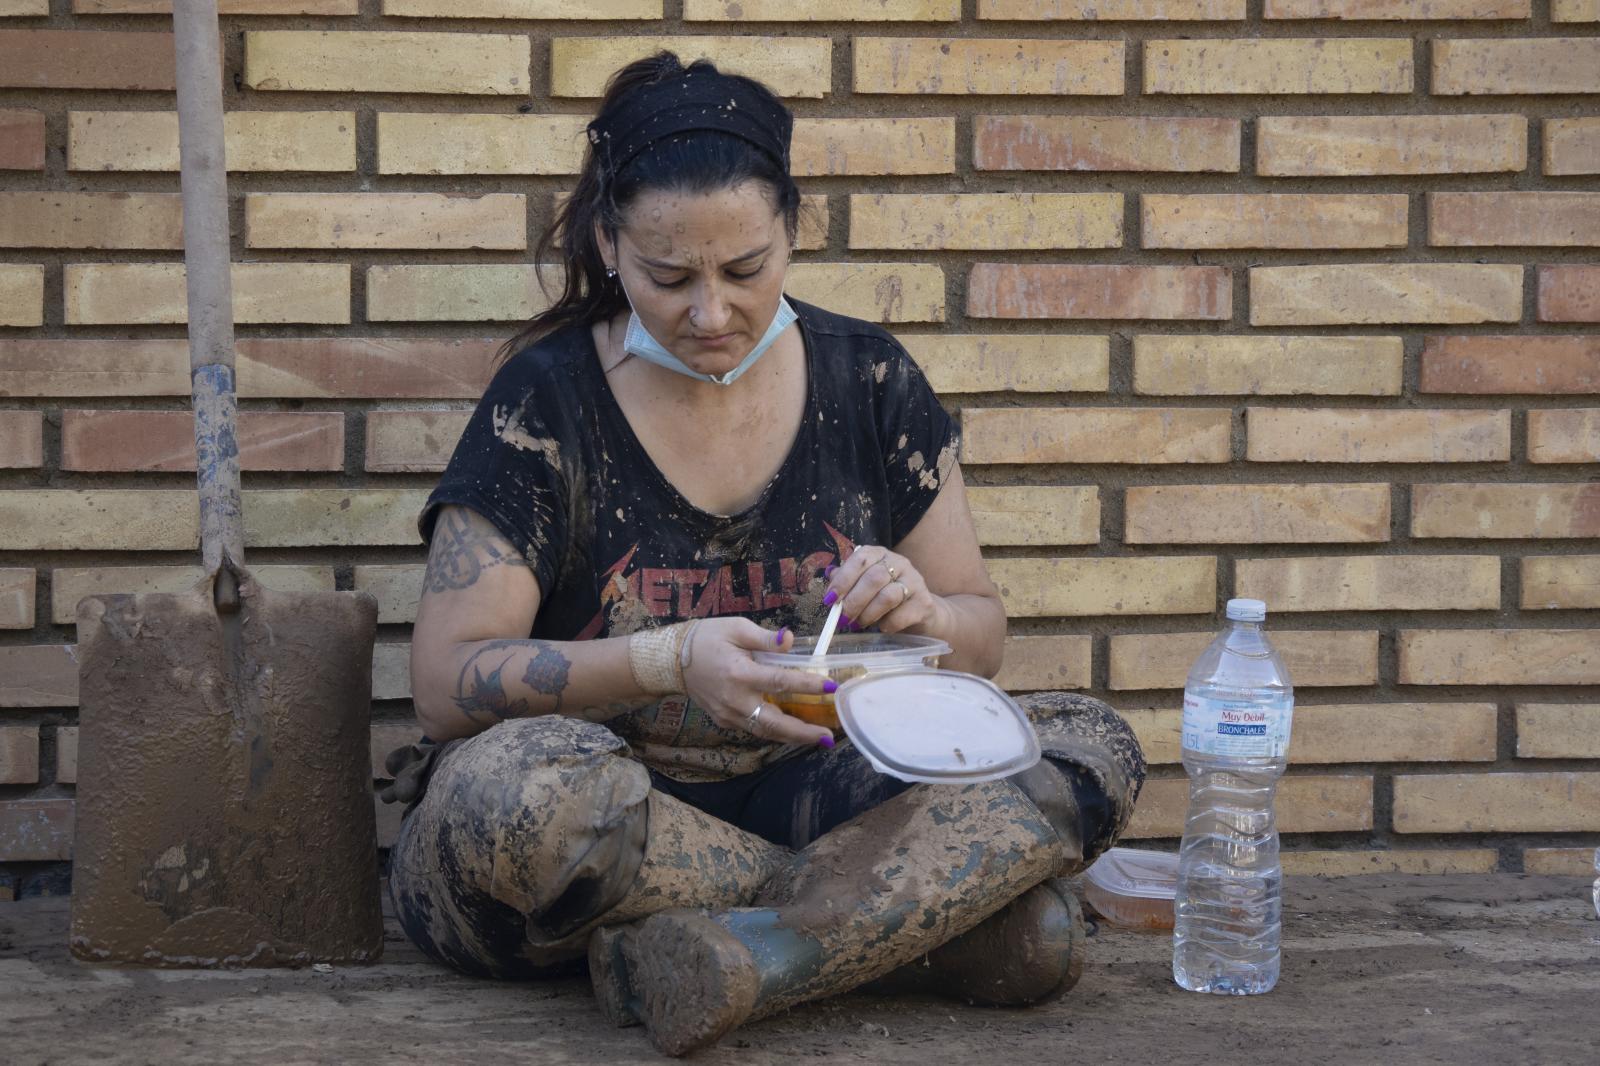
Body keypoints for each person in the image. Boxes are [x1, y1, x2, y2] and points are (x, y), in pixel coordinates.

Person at [383, 53, 1146, 1057]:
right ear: (609, 245)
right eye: (668, 276)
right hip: (619, 815)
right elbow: (445, 684)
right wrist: (667, 660)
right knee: (518, 795)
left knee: (1084, 743)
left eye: (745, 269)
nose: (711, 312)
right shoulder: (546, 403)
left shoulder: (868, 378)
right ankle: (910, 924)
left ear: (793, 229)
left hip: (818, 789)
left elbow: (978, 637)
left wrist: (923, 614)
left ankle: (752, 951)